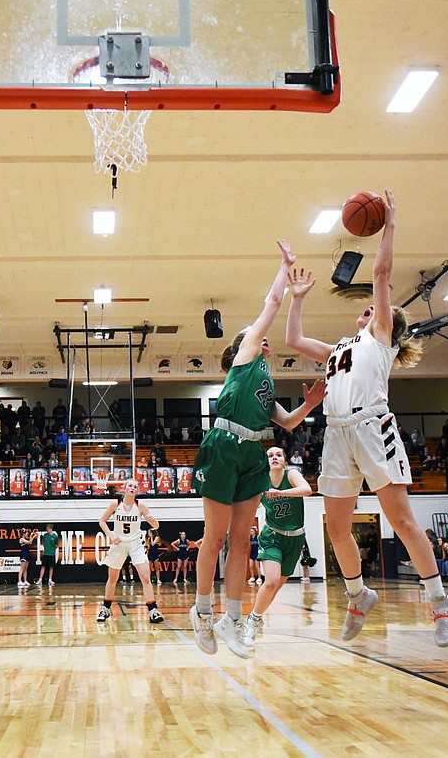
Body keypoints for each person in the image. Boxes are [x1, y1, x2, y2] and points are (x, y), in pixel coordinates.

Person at [286, 192, 448, 647]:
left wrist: (391, 226)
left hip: (372, 427)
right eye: (365, 309)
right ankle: (359, 594)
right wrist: (297, 297)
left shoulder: (380, 338)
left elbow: (380, 274)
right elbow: (294, 338)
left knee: (400, 519)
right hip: (336, 434)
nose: (364, 311)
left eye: (371, 309)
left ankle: (440, 602)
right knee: (336, 527)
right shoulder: (339, 350)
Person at [189, 240, 327, 659]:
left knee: (241, 542)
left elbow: (285, 422)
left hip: (252, 452)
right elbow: (270, 302)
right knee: (213, 539)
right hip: (223, 446)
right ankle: (201, 611)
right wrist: (285, 271)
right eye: (258, 335)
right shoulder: (245, 357)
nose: (264, 338)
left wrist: (309, 405)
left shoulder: (266, 383)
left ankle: (232, 619)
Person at [241, 447, 313, 647]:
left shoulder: (292, 475)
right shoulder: (261, 482)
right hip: (272, 536)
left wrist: (281, 492)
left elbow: (307, 490)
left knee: (274, 588)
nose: (274, 458)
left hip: (295, 538)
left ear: (284, 460)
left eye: (278, 455)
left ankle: (256, 615)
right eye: (270, 455)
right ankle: (253, 621)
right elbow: (248, 506)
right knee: (271, 582)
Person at [97, 479, 164, 624]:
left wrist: (154, 522)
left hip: (135, 543)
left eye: (135, 486)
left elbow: (156, 525)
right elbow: (102, 522)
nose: (132, 488)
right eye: (130, 486)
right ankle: (105, 608)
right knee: (113, 578)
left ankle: (153, 610)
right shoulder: (115, 504)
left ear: (137, 491)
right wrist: (111, 535)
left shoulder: (141, 506)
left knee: (146, 577)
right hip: (119, 543)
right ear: (124, 488)